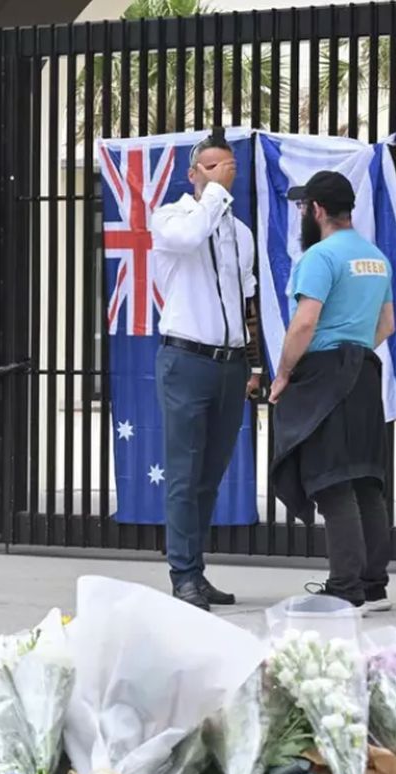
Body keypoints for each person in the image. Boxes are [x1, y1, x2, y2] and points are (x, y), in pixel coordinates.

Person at [268, 170, 396, 612]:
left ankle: (345, 588)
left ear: (317, 210)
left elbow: (305, 322)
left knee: (333, 481)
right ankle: (373, 585)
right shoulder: (377, 258)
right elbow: (387, 325)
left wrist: (284, 373)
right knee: (364, 478)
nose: (304, 214)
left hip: (325, 372)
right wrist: (353, 348)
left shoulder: (320, 257)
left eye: (305, 207)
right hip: (363, 370)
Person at [148, 132, 264, 611]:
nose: (223, 174)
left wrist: (253, 362)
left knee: (209, 476)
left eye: (229, 167)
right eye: (211, 167)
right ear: (192, 174)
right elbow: (191, 236)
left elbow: (245, 303)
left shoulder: (241, 232)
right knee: (183, 473)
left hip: (229, 365)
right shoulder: (171, 217)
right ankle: (182, 575)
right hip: (186, 360)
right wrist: (214, 193)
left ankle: (197, 567)